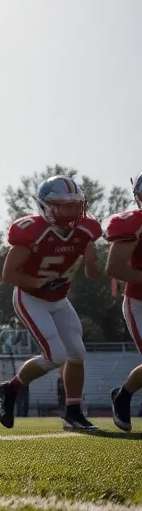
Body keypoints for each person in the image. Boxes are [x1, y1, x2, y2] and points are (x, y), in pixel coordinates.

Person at [0, 175, 101, 432]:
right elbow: (9, 275)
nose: (71, 211)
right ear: (46, 206)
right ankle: (10, 389)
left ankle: (73, 413)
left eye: (74, 205)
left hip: (59, 299)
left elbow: (94, 276)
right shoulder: (32, 232)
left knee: (77, 352)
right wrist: (38, 281)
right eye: (63, 205)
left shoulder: (86, 231)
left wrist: (90, 261)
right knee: (56, 356)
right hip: (31, 298)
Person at [106, 171, 142, 431]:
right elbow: (115, 268)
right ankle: (124, 396)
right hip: (139, 302)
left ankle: (123, 394)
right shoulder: (134, 224)